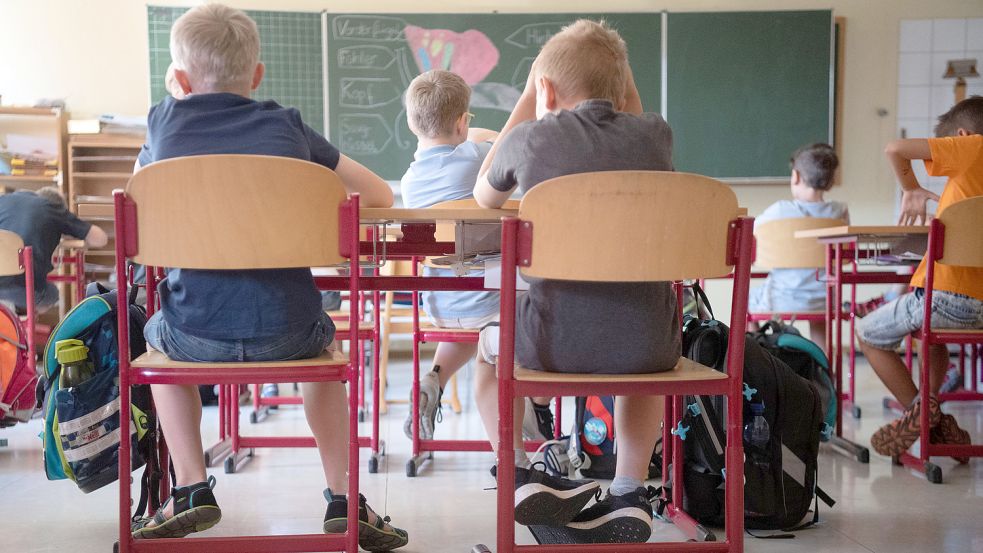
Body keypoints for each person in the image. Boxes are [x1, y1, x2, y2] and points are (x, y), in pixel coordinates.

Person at [129, 5, 407, 550]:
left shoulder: (163, 120)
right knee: (319, 349)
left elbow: (134, 203)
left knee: (153, 338)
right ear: (257, 77)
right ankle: (343, 495)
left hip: (194, 335)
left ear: (179, 80)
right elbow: (379, 196)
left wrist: (175, 101)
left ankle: (189, 486)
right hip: (291, 332)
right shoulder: (288, 125)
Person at [472, 19, 677, 544]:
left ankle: (517, 470)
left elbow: (484, 197)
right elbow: (633, 116)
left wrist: (528, 99)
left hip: (551, 344)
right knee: (642, 373)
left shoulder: (529, 139)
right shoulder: (656, 136)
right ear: (624, 86)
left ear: (545, 88)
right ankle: (630, 490)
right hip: (650, 348)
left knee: (486, 349)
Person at [398, 69, 554, 442]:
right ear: (462, 122)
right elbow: (506, 142)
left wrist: (469, 132)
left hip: (442, 303)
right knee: (496, 332)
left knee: (469, 320)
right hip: (495, 301)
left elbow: (476, 140)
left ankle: (432, 377)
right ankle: (526, 430)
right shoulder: (478, 160)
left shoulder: (409, 181)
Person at [856, 95, 983, 459]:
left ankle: (922, 411)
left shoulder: (972, 147)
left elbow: (895, 148)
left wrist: (910, 188)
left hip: (946, 297)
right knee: (934, 340)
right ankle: (932, 414)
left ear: (961, 136)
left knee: (867, 334)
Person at [748, 143, 848, 346]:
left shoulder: (779, 211)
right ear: (830, 181)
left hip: (780, 297)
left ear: (796, 177)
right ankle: (823, 370)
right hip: (824, 299)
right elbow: (844, 252)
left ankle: (760, 353)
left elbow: (751, 235)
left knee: (745, 304)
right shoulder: (839, 212)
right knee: (819, 316)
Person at [0, 187, 107, 313]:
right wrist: (66, 229)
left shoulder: (4, 200)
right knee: (53, 294)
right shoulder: (53, 208)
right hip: (21, 289)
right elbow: (101, 239)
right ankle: (20, 325)